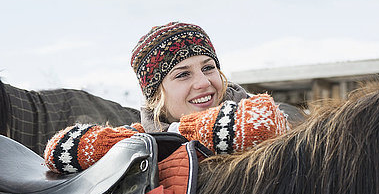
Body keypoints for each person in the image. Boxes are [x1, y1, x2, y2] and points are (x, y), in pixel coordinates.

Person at [44, 22, 289, 173]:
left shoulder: (251, 111)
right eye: (183, 75)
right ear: (156, 94)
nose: (203, 82)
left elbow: (265, 121)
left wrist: (168, 139)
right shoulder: (143, 135)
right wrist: (143, 142)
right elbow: (59, 150)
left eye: (208, 67)